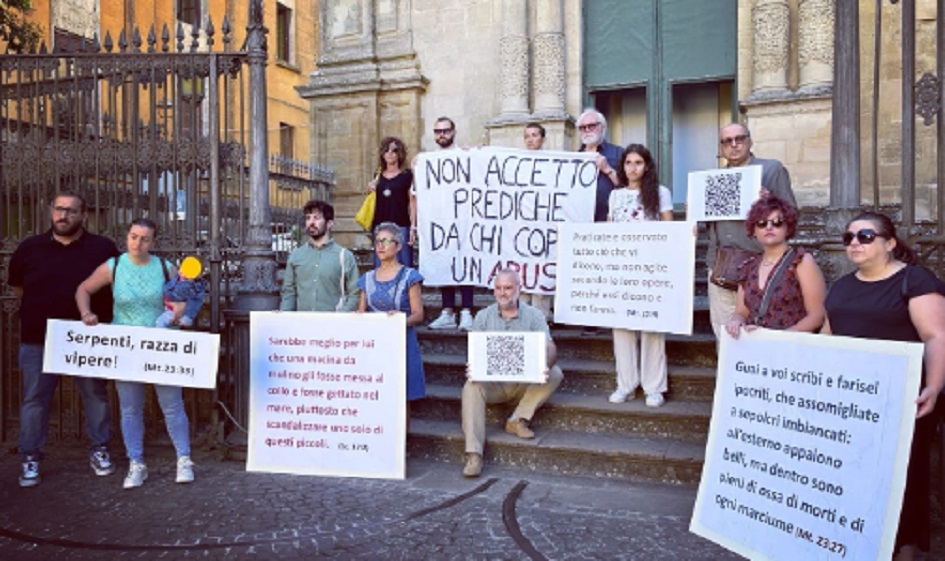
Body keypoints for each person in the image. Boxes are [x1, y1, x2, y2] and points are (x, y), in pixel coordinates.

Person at [822, 211, 944, 561]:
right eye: (848, 238)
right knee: (856, 479)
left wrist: (934, 387)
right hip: (851, 402)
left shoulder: (915, 280)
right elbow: (828, 336)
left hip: (903, 400)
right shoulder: (843, 285)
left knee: (902, 481)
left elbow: (936, 336)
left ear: (889, 243)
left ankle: (902, 553)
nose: (855, 243)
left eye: (864, 236)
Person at [7, 191, 119, 487]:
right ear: (50, 212)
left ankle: (100, 448)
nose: (63, 216)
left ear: (84, 215)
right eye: (59, 209)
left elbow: (116, 286)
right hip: (38, 337)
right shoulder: (29, 248)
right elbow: (19, 288)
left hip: (88, 339)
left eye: (71, 211)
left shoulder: (103, 248)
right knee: (34, 399)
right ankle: (30, 455)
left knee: (95, 395)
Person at [75, 218, 194, 489]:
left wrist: (178, 311)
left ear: (153, 242)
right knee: (130, 409)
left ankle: (184, 459)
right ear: (126, 237)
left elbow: (181, 298)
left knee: (172, 405)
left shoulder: (165, 267)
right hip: (125, 346)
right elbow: (83, 288)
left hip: (159, 344)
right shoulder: (114, 266)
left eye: (144, 239)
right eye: (133, 236)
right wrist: (86, 312)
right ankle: (136, 463)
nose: (137, 243)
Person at [460, 269, 564, 478]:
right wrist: (472, 367)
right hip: (495, 385)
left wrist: (546, 364)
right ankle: (474, 454)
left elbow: (550, 346)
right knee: (470, 387)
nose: (503, 293)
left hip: (524, 383)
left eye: (508, 288)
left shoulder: (534, 315)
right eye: (498, 288)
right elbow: (475, 352)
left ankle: (517, 419)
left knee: (555, 373)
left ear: (519, 289)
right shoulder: (483, 316)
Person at [707, 123, 797, 343]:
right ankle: (729, 377)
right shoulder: (713, 179)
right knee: (725, 334)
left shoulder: (771, 170)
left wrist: (770, 203)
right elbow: (709, 225)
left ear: (750, 141)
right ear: (721, 147)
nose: (734, 145)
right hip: (721, 265)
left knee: (761, 333)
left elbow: (792, 215)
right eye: (727, 141)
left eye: (739, 138)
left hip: (760, 264)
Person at [606, 144, 674, 407]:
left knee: (652, 326)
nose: (633, 168)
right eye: (628, 163)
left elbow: (669, 229)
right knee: (621, 326)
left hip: (651, 268)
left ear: (647, 166)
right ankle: (626, 383)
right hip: (622, 268)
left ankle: (654, 386)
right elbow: (610, 231)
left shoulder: (660, 193)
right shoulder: (615, 195)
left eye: (638, 163)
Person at [724, 196, 825, 338]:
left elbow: (817, 316)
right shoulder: (748, 266)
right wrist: (736, 321)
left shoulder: (801, 261)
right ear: (753, 230)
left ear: (788, 227)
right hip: (755, 349)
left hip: (791, 348)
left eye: (777, 222)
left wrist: (778, 339)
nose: (769, 227)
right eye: (761, 223)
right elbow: (741, 311)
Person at [357, 222, 426, 418]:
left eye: (386, 241)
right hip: (373, 345)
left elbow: (418, 314)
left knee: (400, 397)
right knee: (374, 395)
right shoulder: (367, 278)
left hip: (401, 343)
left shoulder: (409, 276)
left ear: (398, 246)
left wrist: (398, 323)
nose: (380, 246)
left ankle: (403, 445)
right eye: (377, 241)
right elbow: (361, 311)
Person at [576, 108, 621, 336]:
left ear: (602, 128)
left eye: (592, 126)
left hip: (609, 223)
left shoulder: (617, 153)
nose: (587, 131)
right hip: (582, 227)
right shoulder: (571, 158)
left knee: (610, 273)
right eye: (583, 128)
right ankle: (590, 319)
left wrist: (607, 169)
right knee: (587, 274)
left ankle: (612, 314)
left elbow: (629, 189)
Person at [427, 116, 475, 331]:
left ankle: (466, 311)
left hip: (464, 220)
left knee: (466, 264)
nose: (442, 134)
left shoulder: (464, 156)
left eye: (446, 130)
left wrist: (478, 153)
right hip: (440, 222)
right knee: (444, 263)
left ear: (453, 132)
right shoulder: (429, 161)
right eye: (438, 131)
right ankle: (447, 311)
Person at [280, 200, 360, 312]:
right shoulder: (296, 256)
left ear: (329, 223)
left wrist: (339, 318)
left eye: (316, 218)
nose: (311, 222)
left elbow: (355, 294)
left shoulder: (344, 256)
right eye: (308, 218)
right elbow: (289, 293)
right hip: (302, 324)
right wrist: (284, 316)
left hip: (333, 326)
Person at [518, 122, 553, 323]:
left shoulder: (552, 162)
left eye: (534, 135)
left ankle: (541, 320)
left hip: (543, 229)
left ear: (543, 138)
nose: (530, 139)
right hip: (522, 230)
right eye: (527, 136)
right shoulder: (517, 162)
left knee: (541, 277)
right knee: (522, 278)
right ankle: (521, 320)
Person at [366, 136, 417, 268]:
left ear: (400, 154)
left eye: (394, 150)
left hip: (401, 225)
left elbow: (412, 202)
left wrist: (413, 227)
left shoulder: (407, 175)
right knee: (381, 264)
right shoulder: (377, 175)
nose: (390, 153)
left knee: (404, 264)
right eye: (386, 150)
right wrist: (370, 189)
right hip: (380, 225)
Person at [155, 256, 205, 328]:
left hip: (172, 311)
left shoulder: (192, 286)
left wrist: (188, 317)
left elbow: (194, 302)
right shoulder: (179, 278)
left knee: (160, 323)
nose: (181, 272)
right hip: (168, 307)